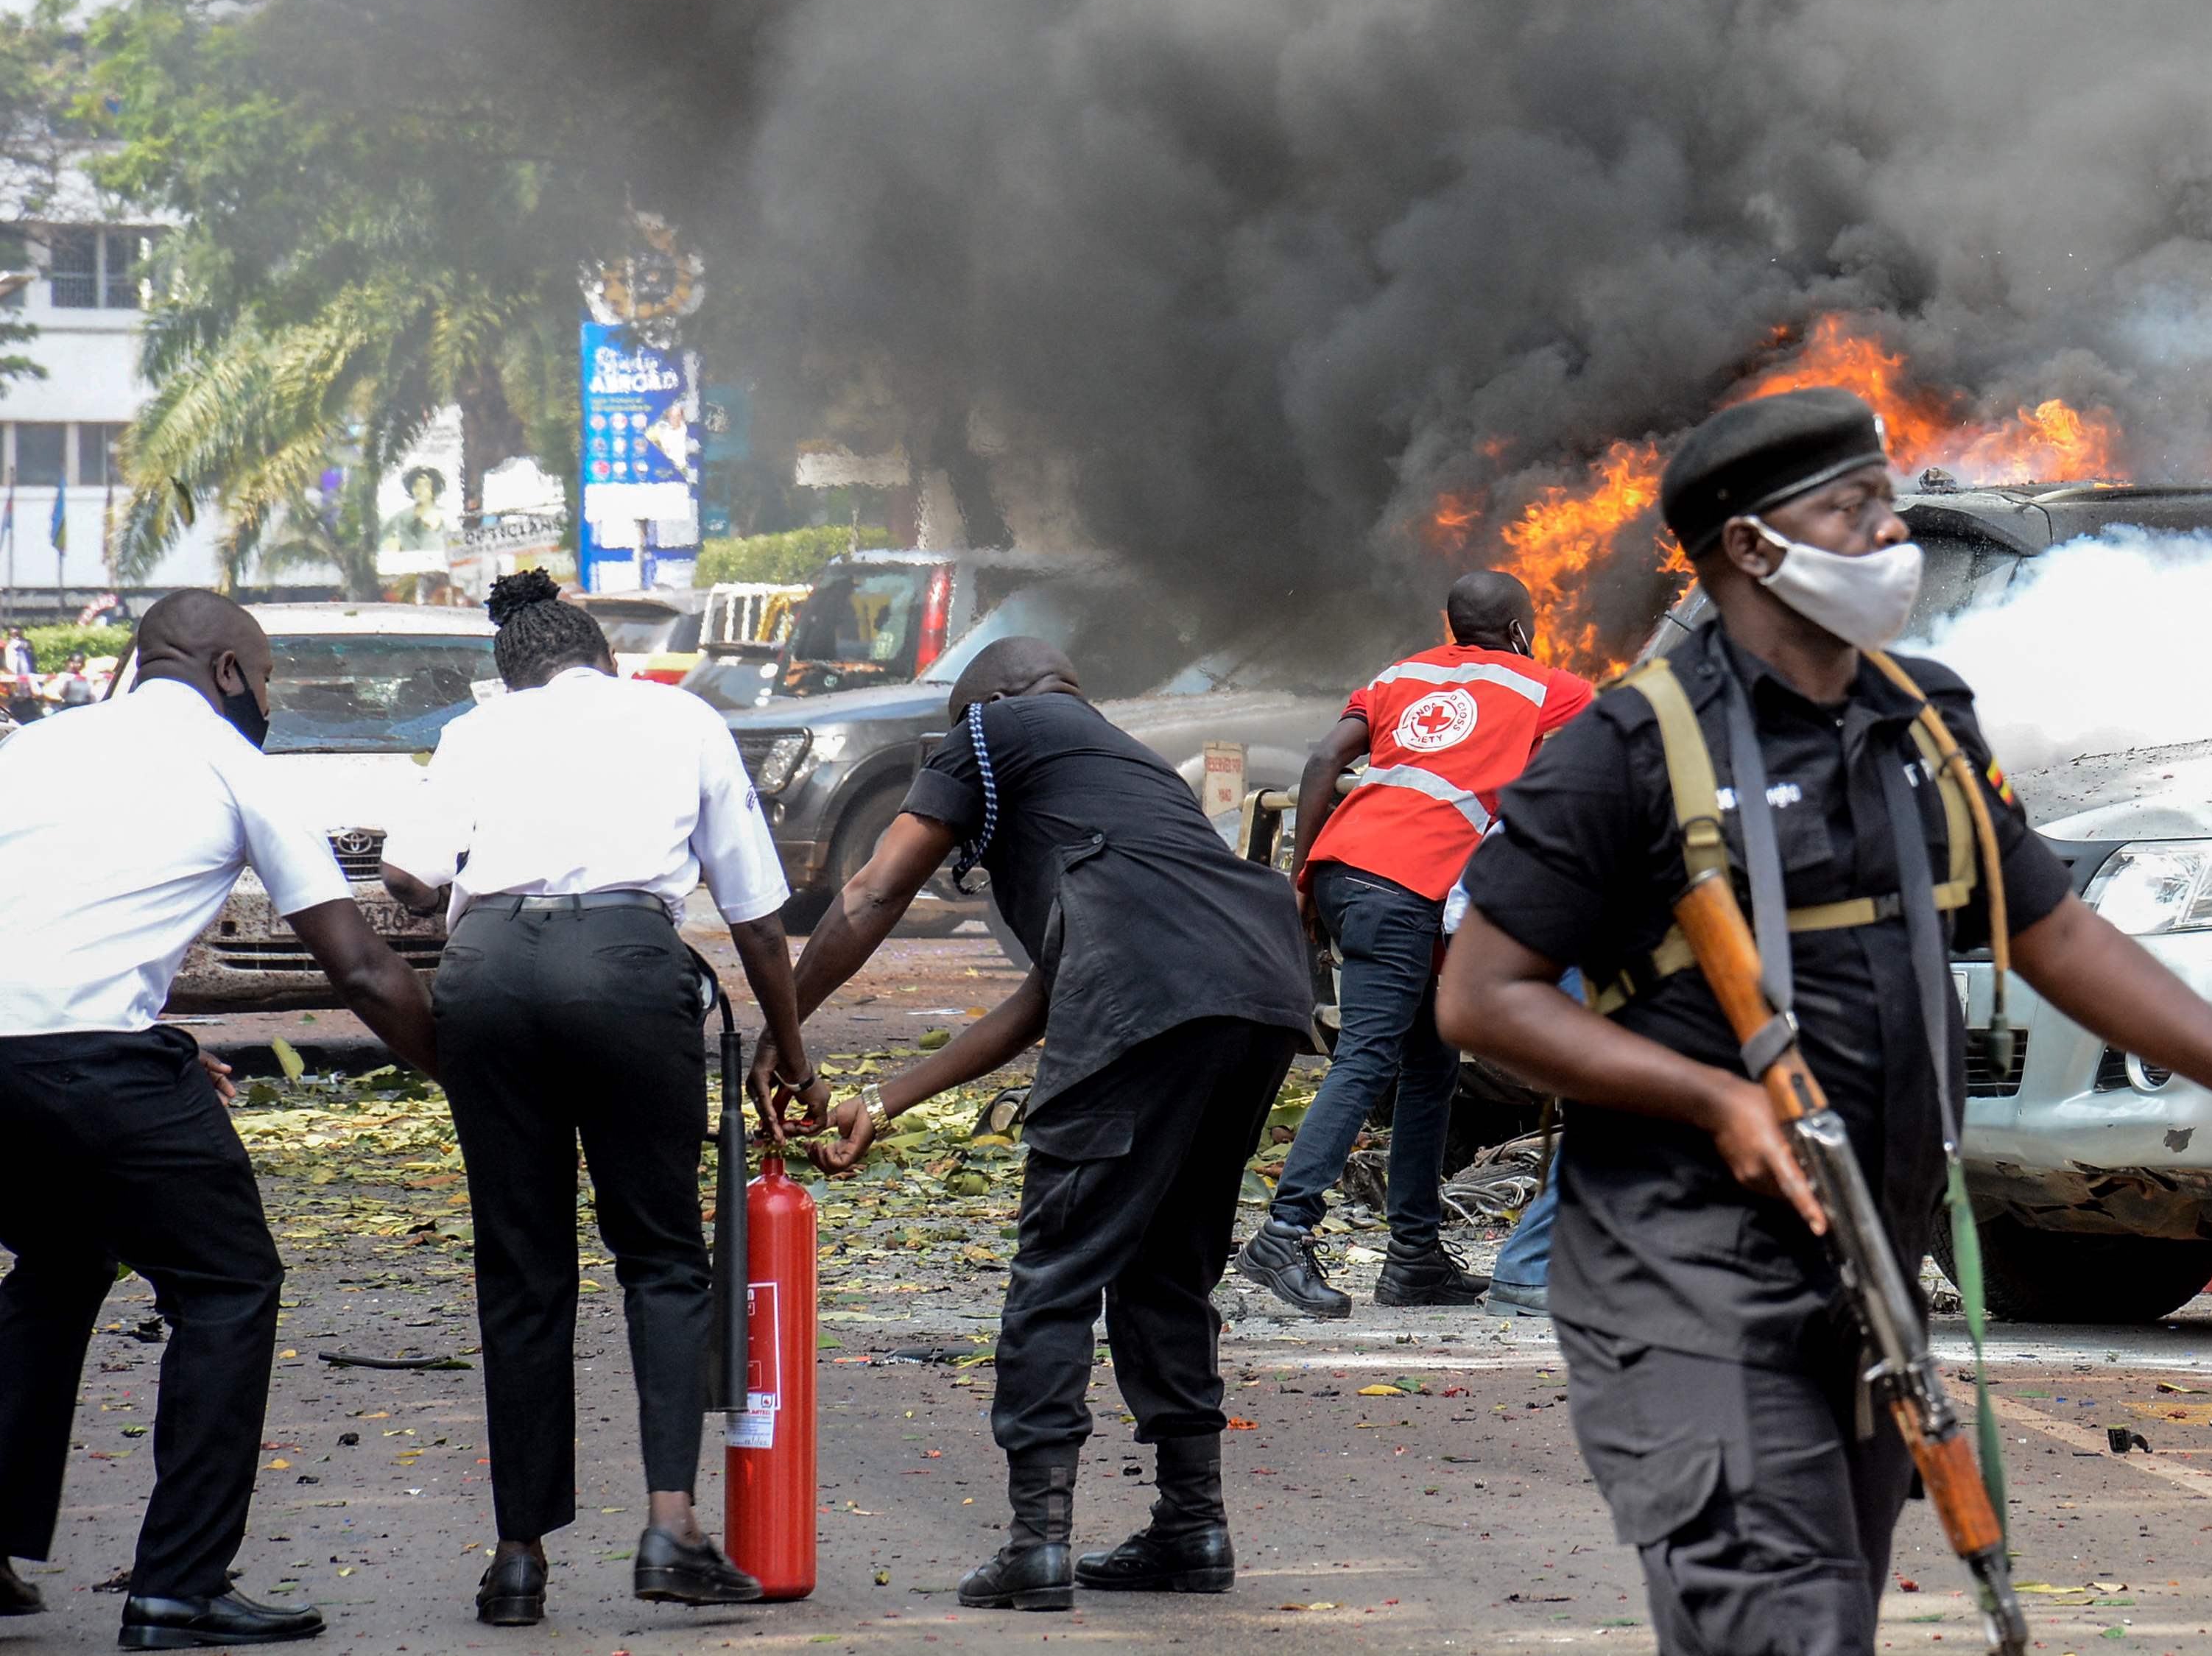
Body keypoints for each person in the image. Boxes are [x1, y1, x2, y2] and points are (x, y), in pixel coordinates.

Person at [1438, 387, 2212, 1656]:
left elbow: (2053, 932)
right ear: (1752, 547)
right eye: (1854, 509)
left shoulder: (1924, 719)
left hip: (1871, 1259)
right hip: (1683, 1268)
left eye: (1887, 503)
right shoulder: (1628, 746)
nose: (1892, 535)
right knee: (1785, 1615)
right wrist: (1713, 1096)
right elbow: (1480, 998)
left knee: (1810, 1613)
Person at [789, 637, 1314, 1611]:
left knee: (1059, 1268)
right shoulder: (1124, 770)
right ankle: (1193, 1530)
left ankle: (1038, 1542)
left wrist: (783, 1029)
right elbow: (1041, 998)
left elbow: (870, 890)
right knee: (1165, 1268)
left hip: (1155, 994)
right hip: (1259, 991)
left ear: (984, 705)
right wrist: (885, 1101)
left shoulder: (994, 725)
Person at [0, 591, 439, 1652]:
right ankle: (176, 1591)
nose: (273, 699)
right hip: (97, 1067)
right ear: (230, 672)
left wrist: (141, 1029)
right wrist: (472, 1079)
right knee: (229, 1285)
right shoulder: (235, 764)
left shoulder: (33, 747)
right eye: (271, 676)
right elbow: (364, 967)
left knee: (60, 1266)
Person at [376, 570, 815, 1627]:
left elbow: (405, 875)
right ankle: (672, 1526)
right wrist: (792, 1054)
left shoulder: (480, 731)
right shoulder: (680, 716)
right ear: (604, 661)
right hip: (624, 968)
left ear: (510, 671)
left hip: (486, 978)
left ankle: (519, 1558)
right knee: (661, 1254)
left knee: (521, 1268)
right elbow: (756, 915)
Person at [1239, 570, 1593, 1317]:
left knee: (1430, 1064)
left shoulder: (1400, 674)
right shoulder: (1542, 685)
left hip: (1350, 870)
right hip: (1404, 887)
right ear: (1522, 627)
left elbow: (1318, 762)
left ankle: (1413, 1259)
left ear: (1451, 624)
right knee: (1368, 1058)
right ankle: (1283, 1233)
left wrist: (1303, 875)